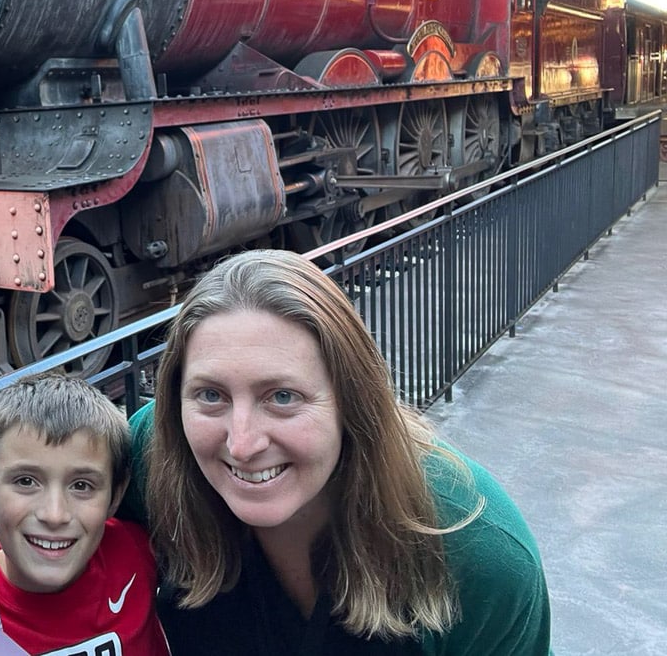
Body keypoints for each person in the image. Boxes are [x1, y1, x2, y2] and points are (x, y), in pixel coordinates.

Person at [129, 249, 552, 655]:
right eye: (210, 394)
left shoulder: (476, 552)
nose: (242, 444)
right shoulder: (151, 455)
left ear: (352, 400)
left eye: (281, 396)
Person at [0, 373, 169, 656]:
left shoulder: (135, 550)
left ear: (116, 495)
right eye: (25, 481)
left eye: (82, 486)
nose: (55, 515)